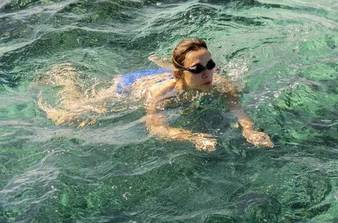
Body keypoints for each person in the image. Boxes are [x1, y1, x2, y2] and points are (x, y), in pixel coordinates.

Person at [38, 38, 273, 152]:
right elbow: (157, 128)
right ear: (181, 73)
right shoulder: (159, 95)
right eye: (198, 69)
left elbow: (239, 110)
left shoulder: (217, 82)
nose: (207, 73)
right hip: (132, 85)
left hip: (169, 75)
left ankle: (163, 65)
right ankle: (65, 78)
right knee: (81, 109)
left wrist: (249, 129)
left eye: (210, 64)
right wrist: (192, 137)